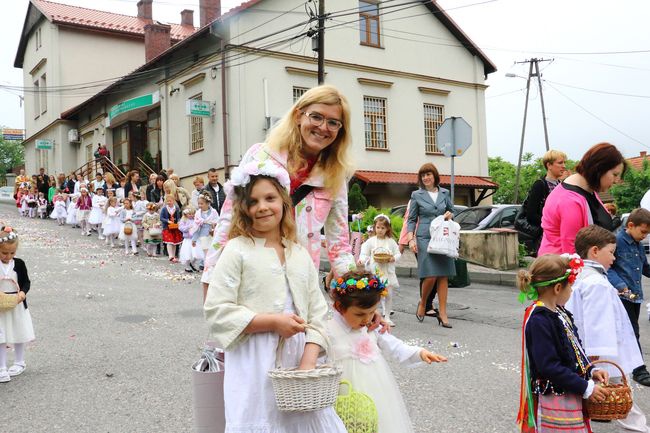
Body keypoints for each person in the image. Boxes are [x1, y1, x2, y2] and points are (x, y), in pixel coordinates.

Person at [203, 166, 347, 433]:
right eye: (253, 202)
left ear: (283, 200)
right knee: (261, 419)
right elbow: (216, 310)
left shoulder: (298, 253)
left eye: (269, 198)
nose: (262, 207)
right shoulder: (237, 250)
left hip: (298, 357)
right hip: (253, 361)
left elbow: (318, 315)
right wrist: (271, 322)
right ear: (243, 208)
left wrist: (308, 362)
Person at [202, 85, 356, 300]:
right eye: (316, 117)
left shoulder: (335, 176)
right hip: (252, 276)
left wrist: (362, 292)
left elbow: (339, 245)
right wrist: (210, 277)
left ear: (340, 130)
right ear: (298, 116)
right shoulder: (261, 155)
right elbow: (228, 218)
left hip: (300, 284)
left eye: (333, 122)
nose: (323, 127)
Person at [328, 270, 446, 432]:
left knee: (375, 423)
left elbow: (394, 345)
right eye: (360, 314)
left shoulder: (371, 327)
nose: (367, 319)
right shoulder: (329, 331)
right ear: (339, 307)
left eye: (372, 312)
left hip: (375, 389)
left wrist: (419, 353)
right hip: (342, 389)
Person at [567, 225, 650, 431]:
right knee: (621, 398)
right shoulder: (596, 283)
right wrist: (597, 359)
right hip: (605, 355)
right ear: (595, 251)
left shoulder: (580, 275)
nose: (614, 258)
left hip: (591, 353)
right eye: (611, 253)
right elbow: (598, 323)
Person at [516, 254, 610, 432]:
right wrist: (584, 386)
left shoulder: (560, 312)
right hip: (556, 399)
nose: (572, 291)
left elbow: (575, 348)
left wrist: (591, 369)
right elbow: (548, 366)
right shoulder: (539, 320)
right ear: (558, 288)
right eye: (571, 287)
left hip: (570, 391)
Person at [539, 142, 626, 255]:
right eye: (614, 174)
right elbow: (572, 254)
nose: (616, 180)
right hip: (562, 269)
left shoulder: (588, 190)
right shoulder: (570, 201)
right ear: (599, 169)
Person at [406, 162, 455, 328]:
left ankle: (443, 313)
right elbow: (411, 219)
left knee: (443, 275)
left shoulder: (445, 193)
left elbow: (452, 212)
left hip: (442, 237)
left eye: (429, 174)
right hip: (425, 237)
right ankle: (424, 302)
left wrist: (449, 215)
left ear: (435, 176)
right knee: (431, 274)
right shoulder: (416, 195)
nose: (426, 177)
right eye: (423, 175)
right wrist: (411, 239)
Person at [607, 208, 650, 386]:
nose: (645, 236)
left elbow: (645, 267)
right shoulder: (616, 242)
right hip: (622, 296)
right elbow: (607, 267)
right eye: (643, 232)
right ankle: (639, 371)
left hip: (635, 296)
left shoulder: (638, 245)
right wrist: (620, 286)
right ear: (630, 225)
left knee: (630, 331)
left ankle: (624, 365)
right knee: (632, 331)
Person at [0, 227, 35, 383]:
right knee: (1, 336)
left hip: (17, 303)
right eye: (4, 253)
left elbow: (26, 282)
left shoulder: (19, 264)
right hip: (1, 304)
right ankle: (1, 367)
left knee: (18, 331)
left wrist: (22, 293)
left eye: (12, 253)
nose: (9, 256)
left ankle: (19, 361)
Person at [515, 150, 567, 255]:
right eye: (560, 163)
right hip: (544, 238)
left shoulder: (561, 185)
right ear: (549, 165)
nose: (564, 166)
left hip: (559, 236)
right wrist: (552, 223)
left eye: (564, 163)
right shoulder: (540, 185)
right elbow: (531, 215)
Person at [358, 214, 400, 326]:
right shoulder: (371, 241)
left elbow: (398, 253)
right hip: (375, 271)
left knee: (389, 294)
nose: (380, 230)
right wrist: (362, 260)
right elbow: (364, 253)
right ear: (374, 227)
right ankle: (373, 315)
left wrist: (393, 258)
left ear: (387, 229)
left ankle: (387, 316)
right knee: (376, 295)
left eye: (383, 228)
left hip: (387, 271)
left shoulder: (391, 241)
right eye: (378, 227)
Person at [191, 193, 218, 265]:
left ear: (208, 203)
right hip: (203, 235)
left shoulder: (213, 212)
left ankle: (214, 263)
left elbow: (218, 222)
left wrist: (215, 224)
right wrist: (194, 239)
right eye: (198, 203)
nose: (199, 205)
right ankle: (207, 265)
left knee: (215, 248)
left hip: (213, 234)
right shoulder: (198, 214)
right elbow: (196, 227)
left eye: (202, 204)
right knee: (206, 251)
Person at [160, 194, 182, 263]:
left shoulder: (177, 208)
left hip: (175, 227)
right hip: (167, 227)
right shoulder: (164, 209)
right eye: (167, 201)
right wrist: (167, 221)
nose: (169, 202)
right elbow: (161, 218)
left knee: (174, 242)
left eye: (170, 201)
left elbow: (178, 217)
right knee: (169, 241)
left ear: (173, 201)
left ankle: (174, 255)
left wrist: (178, 221)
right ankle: (170, 256)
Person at [178, 208, 196, 272]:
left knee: (196, 253)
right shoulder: (183, 220)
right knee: (188, 254)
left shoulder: (195, 220)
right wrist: (188, 227)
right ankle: (187, 266)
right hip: (188, 239)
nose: (191, 215)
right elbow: (181, 228)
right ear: (186, 214)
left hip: (195, 238)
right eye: (190, 214)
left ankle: (192, 263)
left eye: (193, 214)